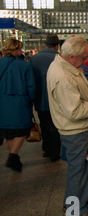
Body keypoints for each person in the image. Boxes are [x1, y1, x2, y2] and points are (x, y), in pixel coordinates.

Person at [47, 36, 88, 216]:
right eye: (83, 58)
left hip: (75, 128)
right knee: (77, 170)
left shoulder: (67, 66)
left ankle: (73, 203)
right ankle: (76, 211)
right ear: (71, 55)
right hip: (74, 130)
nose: (85, 62)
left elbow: (74, 96)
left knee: (80, 169)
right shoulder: (63, 76)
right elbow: (75, 111)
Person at [0, 39, 36, 172]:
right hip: (19, 102)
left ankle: (15, 160)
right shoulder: (24, 65)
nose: (21, 51)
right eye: (19, 49)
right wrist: (32, 99)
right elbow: (31, 86)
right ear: (14, 50)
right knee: (22, 130)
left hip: (2, 103)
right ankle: (13, 155)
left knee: (9, 132)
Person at [29, 34, 62, 162]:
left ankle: (46, 149)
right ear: (57, 45)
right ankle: (54, 152)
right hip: (56, 98)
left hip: (40, 98)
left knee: (44, 124)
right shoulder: (58, 58)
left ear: (45, 44)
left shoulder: (34, 58)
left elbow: (31, 80)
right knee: (55, 126)